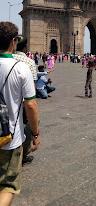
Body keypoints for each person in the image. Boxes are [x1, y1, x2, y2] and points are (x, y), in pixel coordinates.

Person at [0, 22, 40, 206]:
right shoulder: (21, 67)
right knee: (8, 186)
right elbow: (30, 105)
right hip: (10, 138)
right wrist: (36, 134)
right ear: (14, 42)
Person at [13, 35, 38, 165]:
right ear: (26, 47)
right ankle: (25, 154)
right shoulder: (29, 62)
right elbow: (32, 87)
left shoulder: (6, 59)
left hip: (8, 102)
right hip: (24, 102)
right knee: (26, 125)